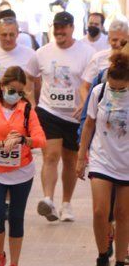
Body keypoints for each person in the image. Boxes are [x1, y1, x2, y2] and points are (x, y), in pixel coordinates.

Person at [0, 66, 46, 266]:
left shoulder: (26, 110)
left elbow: (41, 139)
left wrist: (23, 139)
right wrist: (2, 144)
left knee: (16, 217)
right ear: (3, 86)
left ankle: (15, 265)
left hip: (21, 172)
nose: (14, 95)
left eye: (18, 91)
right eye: (11, 90)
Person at [33, 12, 94, 223]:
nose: (59, 32)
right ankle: (48, 200)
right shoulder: (42, 53)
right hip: (49, 111)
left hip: (74, 116)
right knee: (50, 156)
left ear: (72, 28)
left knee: (69, 161)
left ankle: (66, 204)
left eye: (63, 28)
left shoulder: (87, 53)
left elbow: (90, 85)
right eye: (56, 28)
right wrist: (33, 104)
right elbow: (31, 78)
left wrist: (85, 106)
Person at [77, 51, 129, 266]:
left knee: (123, 214)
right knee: (100, 211)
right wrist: (81, 157)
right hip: (101, 159)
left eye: (120, 89)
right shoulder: (99, 92)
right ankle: (101, 256)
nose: (115, 92)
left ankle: (120, 265)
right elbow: (88, 125)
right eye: (113, 87)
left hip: (126, 162)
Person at [0, 15, 39, 101]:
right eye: (4, 35)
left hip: (21, 108)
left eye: (11, 34)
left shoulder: (30, 55)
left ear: (17, 34)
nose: (8, 38)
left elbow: (37, 84)